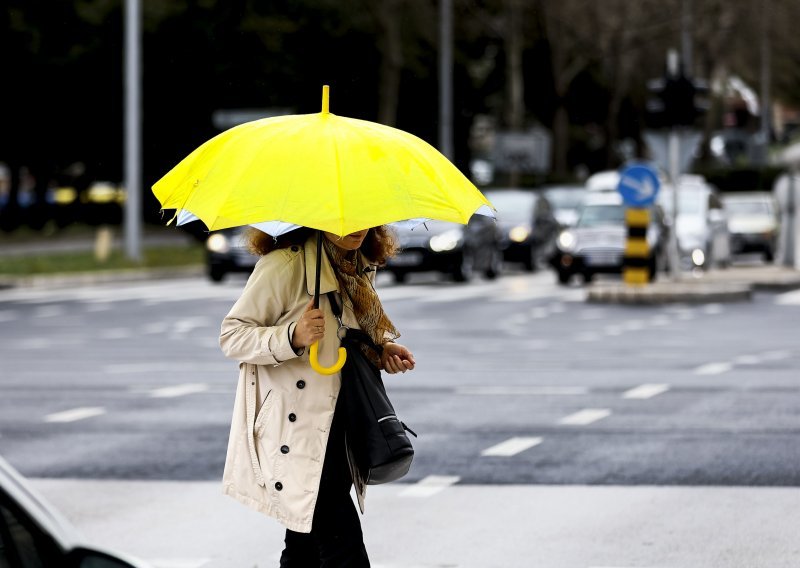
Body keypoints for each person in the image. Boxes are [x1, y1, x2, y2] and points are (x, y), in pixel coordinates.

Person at [219, 225, 415, 567]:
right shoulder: (285, 266)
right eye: (345, 216)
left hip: (339, 424)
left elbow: (345, 337)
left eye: (366, 215)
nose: (357, 226)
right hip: (295, 429)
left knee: (304, 547)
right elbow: (232, 336)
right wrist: (293, 335)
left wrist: (381, 349)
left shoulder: (356, 266)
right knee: (343, 545)